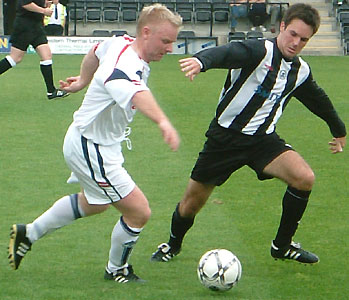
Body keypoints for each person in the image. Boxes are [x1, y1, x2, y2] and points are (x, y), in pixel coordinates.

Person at [151, 3, 346, 265]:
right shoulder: (258, 50)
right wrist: (201, 61)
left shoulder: (300, 71)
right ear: (282, 27)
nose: (296, 42)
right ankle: (172, 245)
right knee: (191, 203)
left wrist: (339, 131)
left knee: (304, 178)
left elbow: (318, 100)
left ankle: (282, 246)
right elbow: (229, 52)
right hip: (225, 140)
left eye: (304, 39)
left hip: (263, 142)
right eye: (293, 34)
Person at [8, 4, 182, 283]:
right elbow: (138, 95)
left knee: (96, 203)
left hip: (92, 142)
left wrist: (82, 82)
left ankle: (29, 232)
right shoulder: (125, 64)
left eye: (172, 42)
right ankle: (116, 270)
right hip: (92, 147)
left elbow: (94, 51)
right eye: (166, 41)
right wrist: (163, 122)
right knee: (138, 211)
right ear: (146, 32)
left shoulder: (120, 42)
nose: (170, 48)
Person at [0, 0, 68, 100]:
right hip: (24, 26)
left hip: (36, 26)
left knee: (47, 56)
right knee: (15, 58)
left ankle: (51, 91)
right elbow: (25, 4)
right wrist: (43, 11)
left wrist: (45, 3)